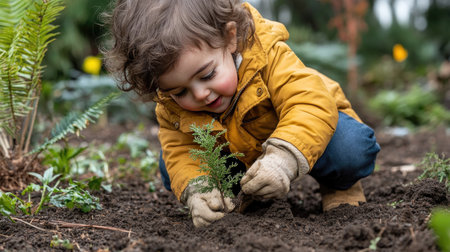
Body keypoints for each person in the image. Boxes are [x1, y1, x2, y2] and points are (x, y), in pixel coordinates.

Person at [105, 0, 380, 228]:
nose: (200, 94)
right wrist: (198, 190)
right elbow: (180, 149)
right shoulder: (170, 103)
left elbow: (310, 103)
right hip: (241, 154)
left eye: (208, 75)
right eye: (180, 91)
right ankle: (235, 197)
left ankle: (339, 186)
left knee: (349, 149)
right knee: (172, 164)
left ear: (230, 37)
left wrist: (282, 161)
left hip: (313, 130)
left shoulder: (268, 57)